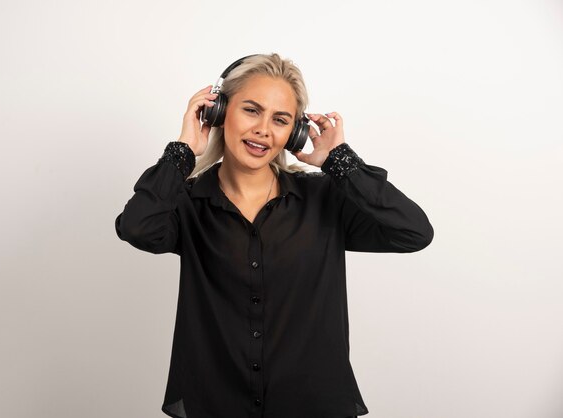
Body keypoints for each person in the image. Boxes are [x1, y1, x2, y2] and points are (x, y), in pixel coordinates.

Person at [115, 53, 434, 418]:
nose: (264, 129)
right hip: (217, 407)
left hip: (314, 407)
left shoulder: (325, 199)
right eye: (251, 110)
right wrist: (183, 151)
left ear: (293, 133)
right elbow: (136, 226)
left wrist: (341, 162)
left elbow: (414, 231)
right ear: (218, 112)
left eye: (280, 120)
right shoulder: (187, 204)